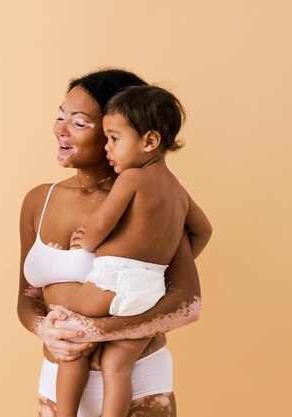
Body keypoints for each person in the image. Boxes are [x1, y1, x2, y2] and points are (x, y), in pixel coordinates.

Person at [18, 69, 203, 417]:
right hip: (57, 386)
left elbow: (187, 305)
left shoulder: (145, 203)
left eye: (79, 122)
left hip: (139, 388)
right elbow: (26, 299)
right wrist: (45, 329)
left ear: (116, 130)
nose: (61, 129)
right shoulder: (38, 201)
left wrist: (95, 330)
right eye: (60, 117)